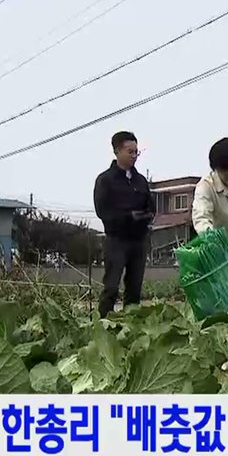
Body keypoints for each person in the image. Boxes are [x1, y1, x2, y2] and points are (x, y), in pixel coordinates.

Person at [93, 131, 155, 319]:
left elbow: (151, 208)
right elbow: (102, 211)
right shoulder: (105, 180)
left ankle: (131, 328)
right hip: (116, 240)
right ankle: (103, 325)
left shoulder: (140, 181)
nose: (134, 156)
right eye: (130, 151)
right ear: (117, 151)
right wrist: (128, 217)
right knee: (111, 287)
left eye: (136, 152)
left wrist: (144, 218)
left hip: (139, 240)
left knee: (134, 288)